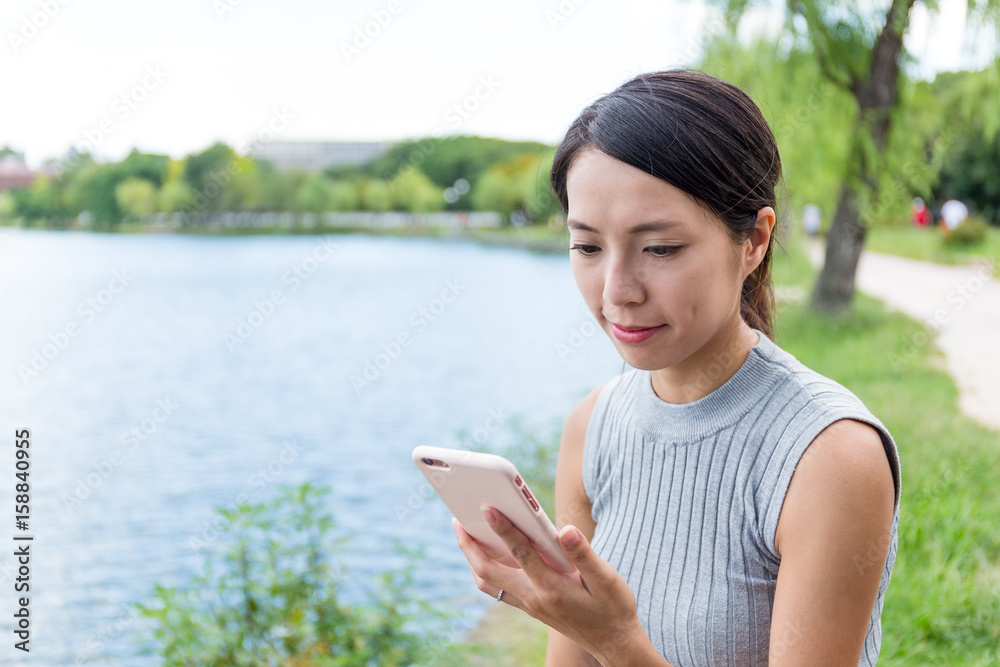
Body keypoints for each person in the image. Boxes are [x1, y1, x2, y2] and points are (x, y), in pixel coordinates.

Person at [451, 69, 901, 666]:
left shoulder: (829, 457)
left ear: (755, 241)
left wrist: (617, 641)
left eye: (660, 248)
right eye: (587, 247)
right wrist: (554, 609)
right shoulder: (592, 429)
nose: (617, 293)